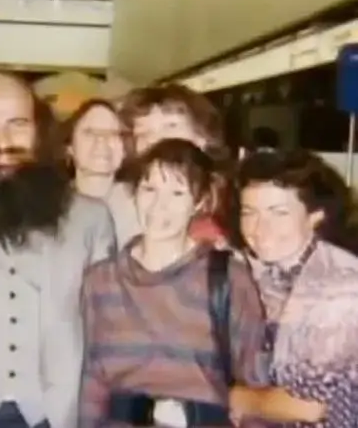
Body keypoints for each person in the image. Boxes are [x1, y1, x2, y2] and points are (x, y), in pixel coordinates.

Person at [0, 72, 115, 428]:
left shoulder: (92, 220)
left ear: (39, 130)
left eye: (17, 124)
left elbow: (109, 335)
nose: (2, 142)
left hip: (58, 414)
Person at [79, 139, 267, 428]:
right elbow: (93, 380)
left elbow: (255, 382)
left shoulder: (227, 277)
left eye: (177, 193)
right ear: (135, 193)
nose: (159, 206)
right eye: (149, 189)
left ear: (199, 202)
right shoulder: (101, 280)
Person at [228, 150, 358, 427]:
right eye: (249, 213)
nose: (260, 227)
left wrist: (233, 398)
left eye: (279, 213)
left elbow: (307, 406)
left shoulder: (341, 287)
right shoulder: (258, 270)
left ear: (315, 216)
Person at [109, 84, 228, 248]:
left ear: (203, 137)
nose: (156, 140)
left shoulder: (233, 200)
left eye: (170, 126)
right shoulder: (118, 203)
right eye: (144, 133)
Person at [63, 99, 125, 200]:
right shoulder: (50, 201)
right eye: (90, 133)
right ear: (70, 147)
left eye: (112, 133)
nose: (101, 141)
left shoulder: (143, 202)